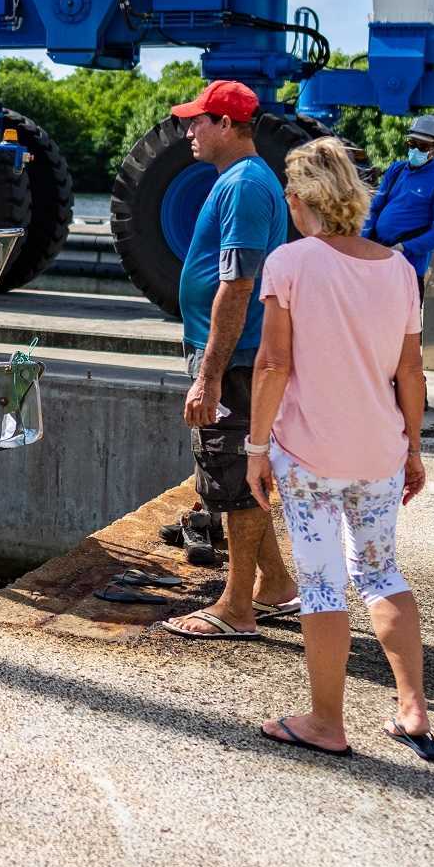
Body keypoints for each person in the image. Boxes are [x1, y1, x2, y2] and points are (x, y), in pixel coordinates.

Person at [243, 137, 434, 762]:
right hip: (379, 452)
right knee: (381, 572)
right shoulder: (398, 268)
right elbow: (411, 372)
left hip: (307, 455)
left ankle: (327, 722)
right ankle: (412, 708)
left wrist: (255, 447)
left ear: (300, 199)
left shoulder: (289, 262)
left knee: (324, 581)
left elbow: (274, 362)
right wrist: (412, 449)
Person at [156, 80, 300, 642]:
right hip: (236, 356)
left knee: (235, 479)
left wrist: (210, 376)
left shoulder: (243, 185)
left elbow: (237, 285)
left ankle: (237, 607)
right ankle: (276, 585)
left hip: (236, 361)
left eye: (196, 121)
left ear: (226, 124)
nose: (188, 131)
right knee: (239, 477)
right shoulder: (244, 181)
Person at [363, 116, 434, 293]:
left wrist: (405, 247)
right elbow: (375, 207)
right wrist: (364, 241)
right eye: (411, 143)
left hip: (408, 268)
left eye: (422, 146)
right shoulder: (396, 170)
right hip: (377, 260)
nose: (415, 150)